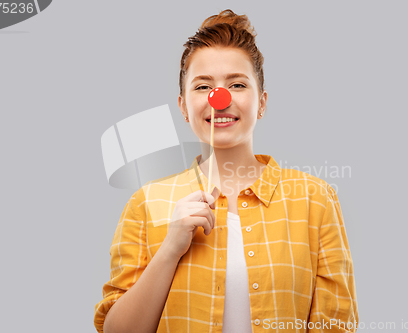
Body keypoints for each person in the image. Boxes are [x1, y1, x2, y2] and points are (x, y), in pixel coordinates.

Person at [94, 9, 358, 333]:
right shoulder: (146, 204)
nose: (220, 99)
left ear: (261, 102)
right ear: (183, 107)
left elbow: (336, 324)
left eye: (237, 84)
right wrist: (170, 249)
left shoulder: (316, 200)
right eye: (203, 87)